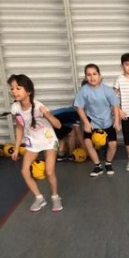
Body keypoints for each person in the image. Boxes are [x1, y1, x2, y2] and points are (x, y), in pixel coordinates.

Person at [8, 74, 63, 212]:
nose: (14, 91)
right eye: (12, 88)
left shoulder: (39, 106)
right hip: (32, 141)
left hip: (49, 140)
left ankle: (55, 197)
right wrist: (16, 148)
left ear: (28, 91)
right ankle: (39, 198)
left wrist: (47, 114)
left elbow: (58, 125)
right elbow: (19, 128)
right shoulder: (15, 108)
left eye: (18, 88)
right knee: (24, 171)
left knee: (49, 171)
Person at [74, 63, 120, 177]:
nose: (92, 77)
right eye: (89, 75)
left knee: (113, 144)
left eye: (94, 74)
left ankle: (108, 163)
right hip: (92, 122)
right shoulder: (84, 91)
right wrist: (86, 123)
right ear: (86, 77)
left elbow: (115, 105)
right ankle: (97, 166)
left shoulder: (107, 90)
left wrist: (117, 120)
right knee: (88, 142)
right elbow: (79, 108)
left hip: (107, 121)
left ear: (99, 75)